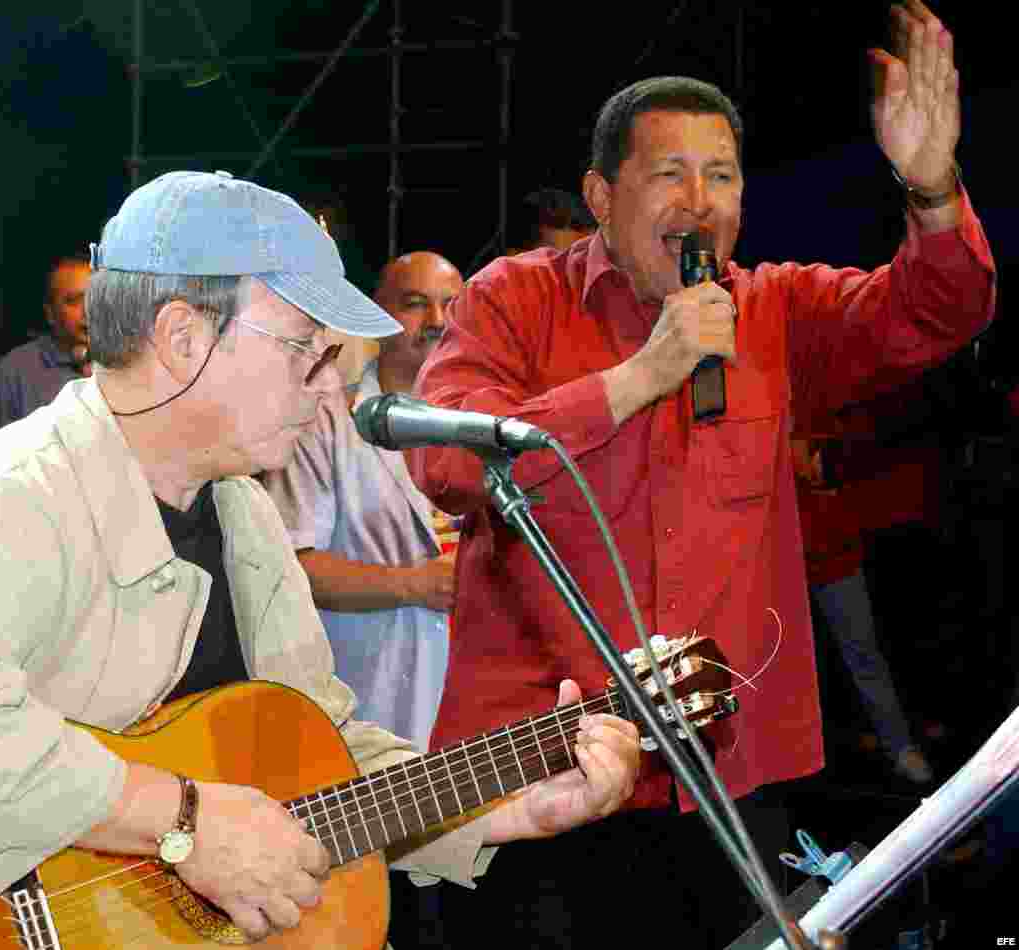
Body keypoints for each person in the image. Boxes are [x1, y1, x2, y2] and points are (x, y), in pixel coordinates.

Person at [407, 3, 995, 948]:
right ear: (599, 197)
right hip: (543, 771)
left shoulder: (775, 310)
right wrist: (640, 378)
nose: (699, 200)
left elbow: (936, 312)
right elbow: (445, 461)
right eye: (669, 173)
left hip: (727, 771)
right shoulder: (513, 298)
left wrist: (929, 192)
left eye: (721, 176)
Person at [0, 170, 640, 945]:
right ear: (181, 339)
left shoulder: (246, 518)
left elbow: (325, 761)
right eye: (305, 345)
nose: (331, 379)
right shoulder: (21, 497)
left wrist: (512, 805)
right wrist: (186, 823)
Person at [263, 250, 464, 752]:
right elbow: (291, 569)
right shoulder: (324, 419)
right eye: (416, 304)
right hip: (369, 681)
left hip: (472, 687)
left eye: (451, 305)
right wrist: (414, 584)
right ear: (378, 316)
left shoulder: (487, 420)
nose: (437, 321)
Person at [791, 433, 933, 784]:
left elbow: (823, 467)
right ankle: (800, 765)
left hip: (830, 550)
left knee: (864, 654)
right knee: (794, 670)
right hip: (779, 560)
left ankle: (899, 746)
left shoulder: (809, 404)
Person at [0, 252, 91, 427]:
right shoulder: (15, 370)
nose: (88, 310)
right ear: (50, 313)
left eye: (94, 297)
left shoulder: (129, 359)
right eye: (73, 301)